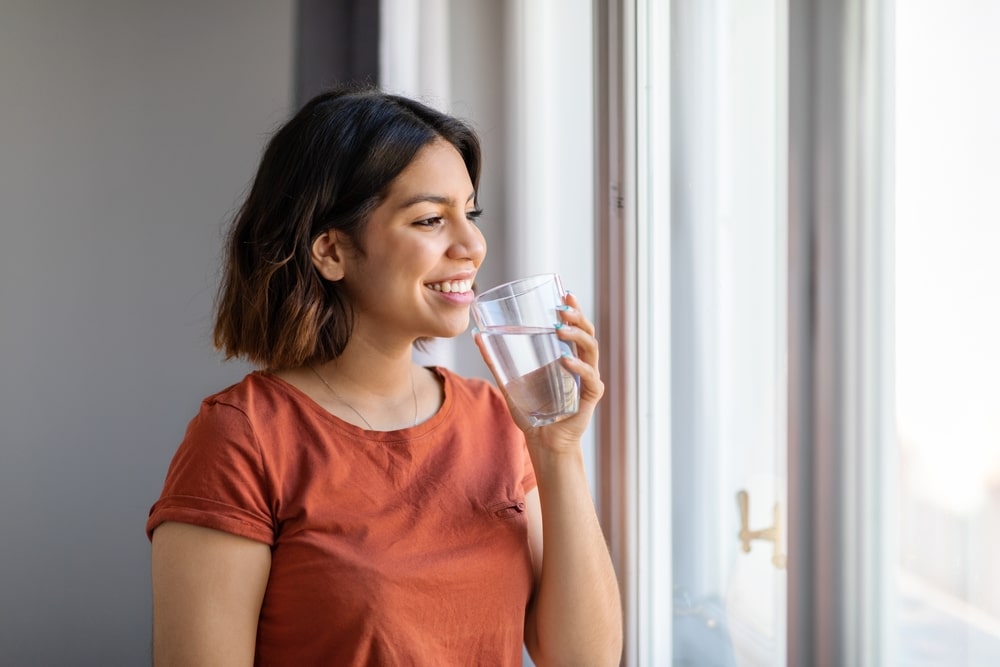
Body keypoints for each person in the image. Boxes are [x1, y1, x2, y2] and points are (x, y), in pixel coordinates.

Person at [146, 86, 622, 666]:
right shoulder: (244, 438)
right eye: (430, 219)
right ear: (331, 251)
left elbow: (582, 660)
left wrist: (558, 451)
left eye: (469, 213)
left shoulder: (499, 421)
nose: (472, 244)